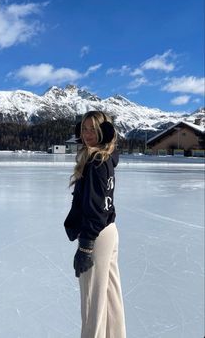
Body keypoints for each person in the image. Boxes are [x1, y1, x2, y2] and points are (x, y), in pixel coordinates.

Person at [64, 110, 126, 338]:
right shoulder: (107, 157)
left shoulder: (97, 161)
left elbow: (95, 206)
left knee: (93, 300)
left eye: (93, 129)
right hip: (109, 230)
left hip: (97, 234)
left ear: (104, 131)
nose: (87, 134)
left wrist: (86, 245)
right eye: (84, 128)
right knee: (109, 294)